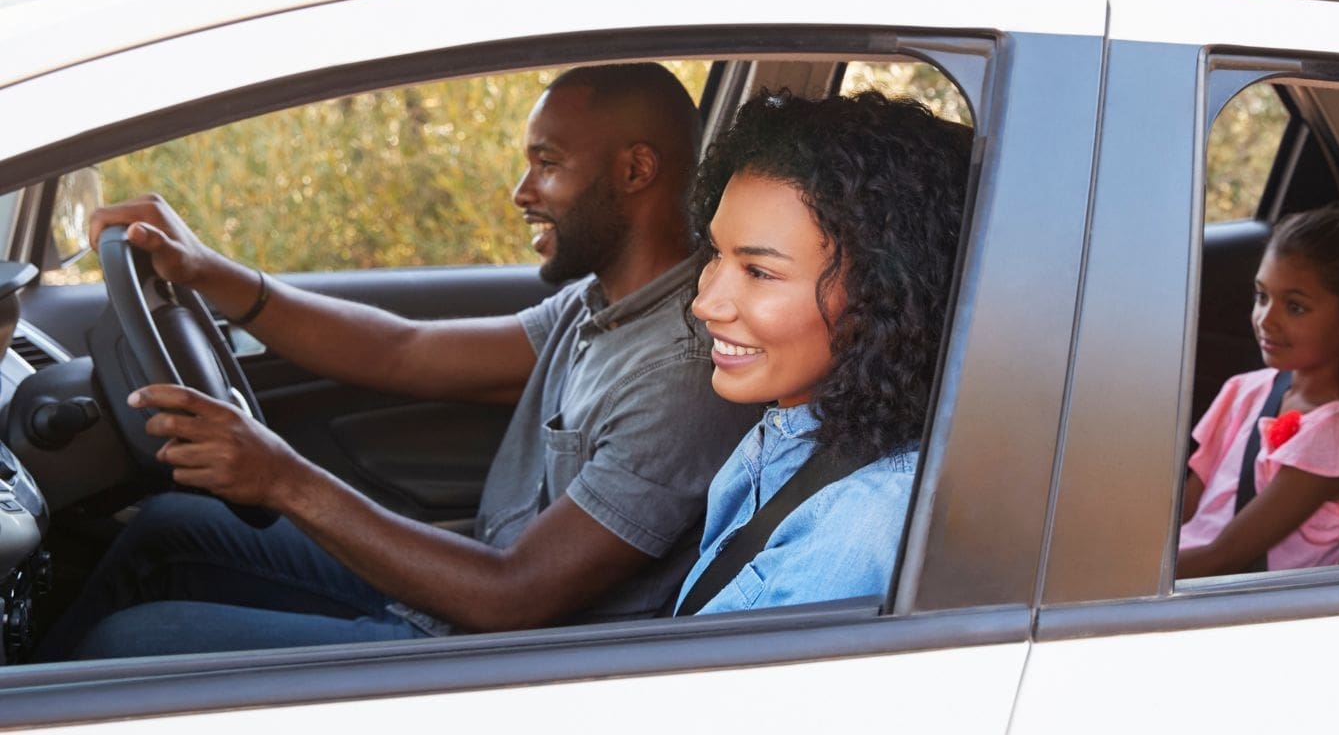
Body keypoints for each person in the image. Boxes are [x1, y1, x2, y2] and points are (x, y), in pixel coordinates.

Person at [37, 63, 762, 660]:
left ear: (636, 170)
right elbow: (402, 350)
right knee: (172, 525)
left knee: (127, 642)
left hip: (508, 660)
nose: (522, 193)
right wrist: (209, 271)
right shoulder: (599, 304)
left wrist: (280, 477)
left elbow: (513, 596)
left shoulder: (682, 369)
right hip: (464, 602)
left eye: (547, 164)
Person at [673, 90, 970, 615]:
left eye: (759, 272)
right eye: (716, 253)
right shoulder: (786, 441)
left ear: (882, 294)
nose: (705, 302)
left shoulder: (861, 523)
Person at [1177, 207, 1339, 578]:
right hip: (1178, 574)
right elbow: (1185, 512)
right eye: (1262, 296)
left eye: (1295, 307)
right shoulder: (1246, 390)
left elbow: (1223, 559)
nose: (1265, 319)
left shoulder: (1334, 439)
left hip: (1223, 601)